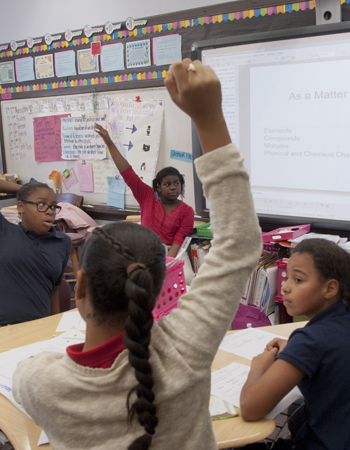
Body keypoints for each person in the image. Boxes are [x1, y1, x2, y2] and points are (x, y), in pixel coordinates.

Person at [13, 59, 263, 450]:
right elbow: (240, 242)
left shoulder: (37, 383)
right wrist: (209, 117)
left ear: (79, 288)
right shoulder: (185, 347)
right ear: (157, 286)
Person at [239, 238, 350, 450]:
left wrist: (258, 367)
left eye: (298, 280)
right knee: (297, 418)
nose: (284, 287)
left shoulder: (311, 341)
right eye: (288, 277)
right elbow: (328, 351)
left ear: (330, 289)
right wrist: (293, 349)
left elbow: (249, 408)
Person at [94, 122, 195, 280]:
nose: (173, 187)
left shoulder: (187, 211)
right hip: (146, 249)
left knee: (188, 278)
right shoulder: (146, 195)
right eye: (167, 184)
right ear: (158, 188)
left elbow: (178, 240)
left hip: (172, 251)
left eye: (177, 183)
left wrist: (166, 263)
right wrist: (108, 141)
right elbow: (127, 172)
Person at [0, 180, 71, 325]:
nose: (49, 211)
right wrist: (23, 190)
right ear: (21, 206)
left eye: (52, 206)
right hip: (4, 330)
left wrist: (53, 327)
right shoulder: (5, 232)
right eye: (41, 204)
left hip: (38, 329)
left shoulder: (62, 242)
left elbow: (54, 290)